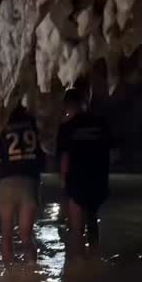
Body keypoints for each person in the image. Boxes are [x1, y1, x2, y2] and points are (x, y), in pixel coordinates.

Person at [56, 87, 111, 253]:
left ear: (67, 105)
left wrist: (65, 187)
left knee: (77, 228)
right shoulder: (101, 123)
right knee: (92, 221)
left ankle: (80, 267)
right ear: (84, 103)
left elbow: (64, 159)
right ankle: (95, 257)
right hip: (98, 180)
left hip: (77, 181)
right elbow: (112, 152)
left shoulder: (67, 127)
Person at [0, 102, 45, 263]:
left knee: (6, 234)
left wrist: (5, 172)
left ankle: (8, 275)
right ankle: (32, 273)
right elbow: (45, 152)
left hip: (7, 181)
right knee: (26, 235)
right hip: (29, 182)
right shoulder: (33, 122)